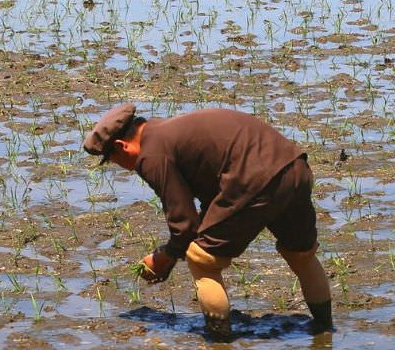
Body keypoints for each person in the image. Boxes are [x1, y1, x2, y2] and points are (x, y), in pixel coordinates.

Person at [85, 104, 332, 341]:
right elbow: (213, 203)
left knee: (202, 260)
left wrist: (165, 257)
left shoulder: (151, 154)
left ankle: (219, 339)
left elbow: (184, 224)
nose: (128, 169)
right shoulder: (170, 132)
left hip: (254, 179)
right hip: (294, 167)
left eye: (116, 161)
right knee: (300, 254)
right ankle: (324, 331)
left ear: (121, 145)